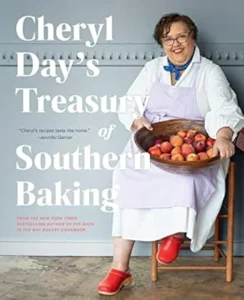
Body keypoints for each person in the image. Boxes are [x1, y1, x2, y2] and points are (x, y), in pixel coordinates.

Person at [97, 13, 244, 296]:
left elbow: (223, 108)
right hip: (152, 144)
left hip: (194, 145)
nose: (175, 44)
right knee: (126, 176)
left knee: (184, 179)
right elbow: (129, 103)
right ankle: (120, 268)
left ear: (192, 37)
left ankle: (174, 233)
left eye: (181, 36)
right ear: (161, 44)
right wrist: (137, 121)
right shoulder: (153, 69)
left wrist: (224, 134)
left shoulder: (209, 72)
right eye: (168, 39)